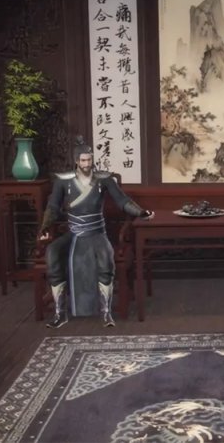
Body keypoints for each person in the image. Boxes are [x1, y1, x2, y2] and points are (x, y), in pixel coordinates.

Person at [40, 140, 153, 329]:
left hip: (97, 232)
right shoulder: (63, 181)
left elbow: (122, 201)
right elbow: (53, 207)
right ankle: (60, 313)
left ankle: (106, 312)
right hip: (73, 233)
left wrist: (141, 212)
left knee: (106, 258)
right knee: (52, 252)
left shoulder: (104, 179)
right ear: (76, 161)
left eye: (89, 160)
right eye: (83, 161)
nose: (87, 164)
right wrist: (44, 227)